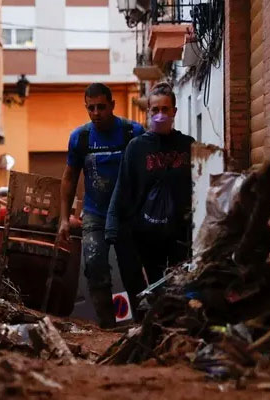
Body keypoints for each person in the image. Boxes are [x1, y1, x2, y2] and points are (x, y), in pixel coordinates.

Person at [105, 82, 194, 319]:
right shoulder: (136, 148)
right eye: (155, 110)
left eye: (165, 109)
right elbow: (124, 189)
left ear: (174, 111)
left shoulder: (188, 146)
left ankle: (175, 331)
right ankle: (152, 333)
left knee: (178, 285)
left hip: (180, 233)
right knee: (153, 287)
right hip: (146, 235)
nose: (160, 115)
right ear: (148, 112)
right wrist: (117, 228)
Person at [59, 83, 144, 329]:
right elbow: (69, 178)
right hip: (95, 214)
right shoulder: (81, 138)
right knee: (95, 267)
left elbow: (146, 176)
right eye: (91, 108)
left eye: (101, 107)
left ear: (112, 105)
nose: (96, 113)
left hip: (127, 215)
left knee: (132, 271)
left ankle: (141, 324)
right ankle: (108, 326)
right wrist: (65, 218)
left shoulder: (132, 133)